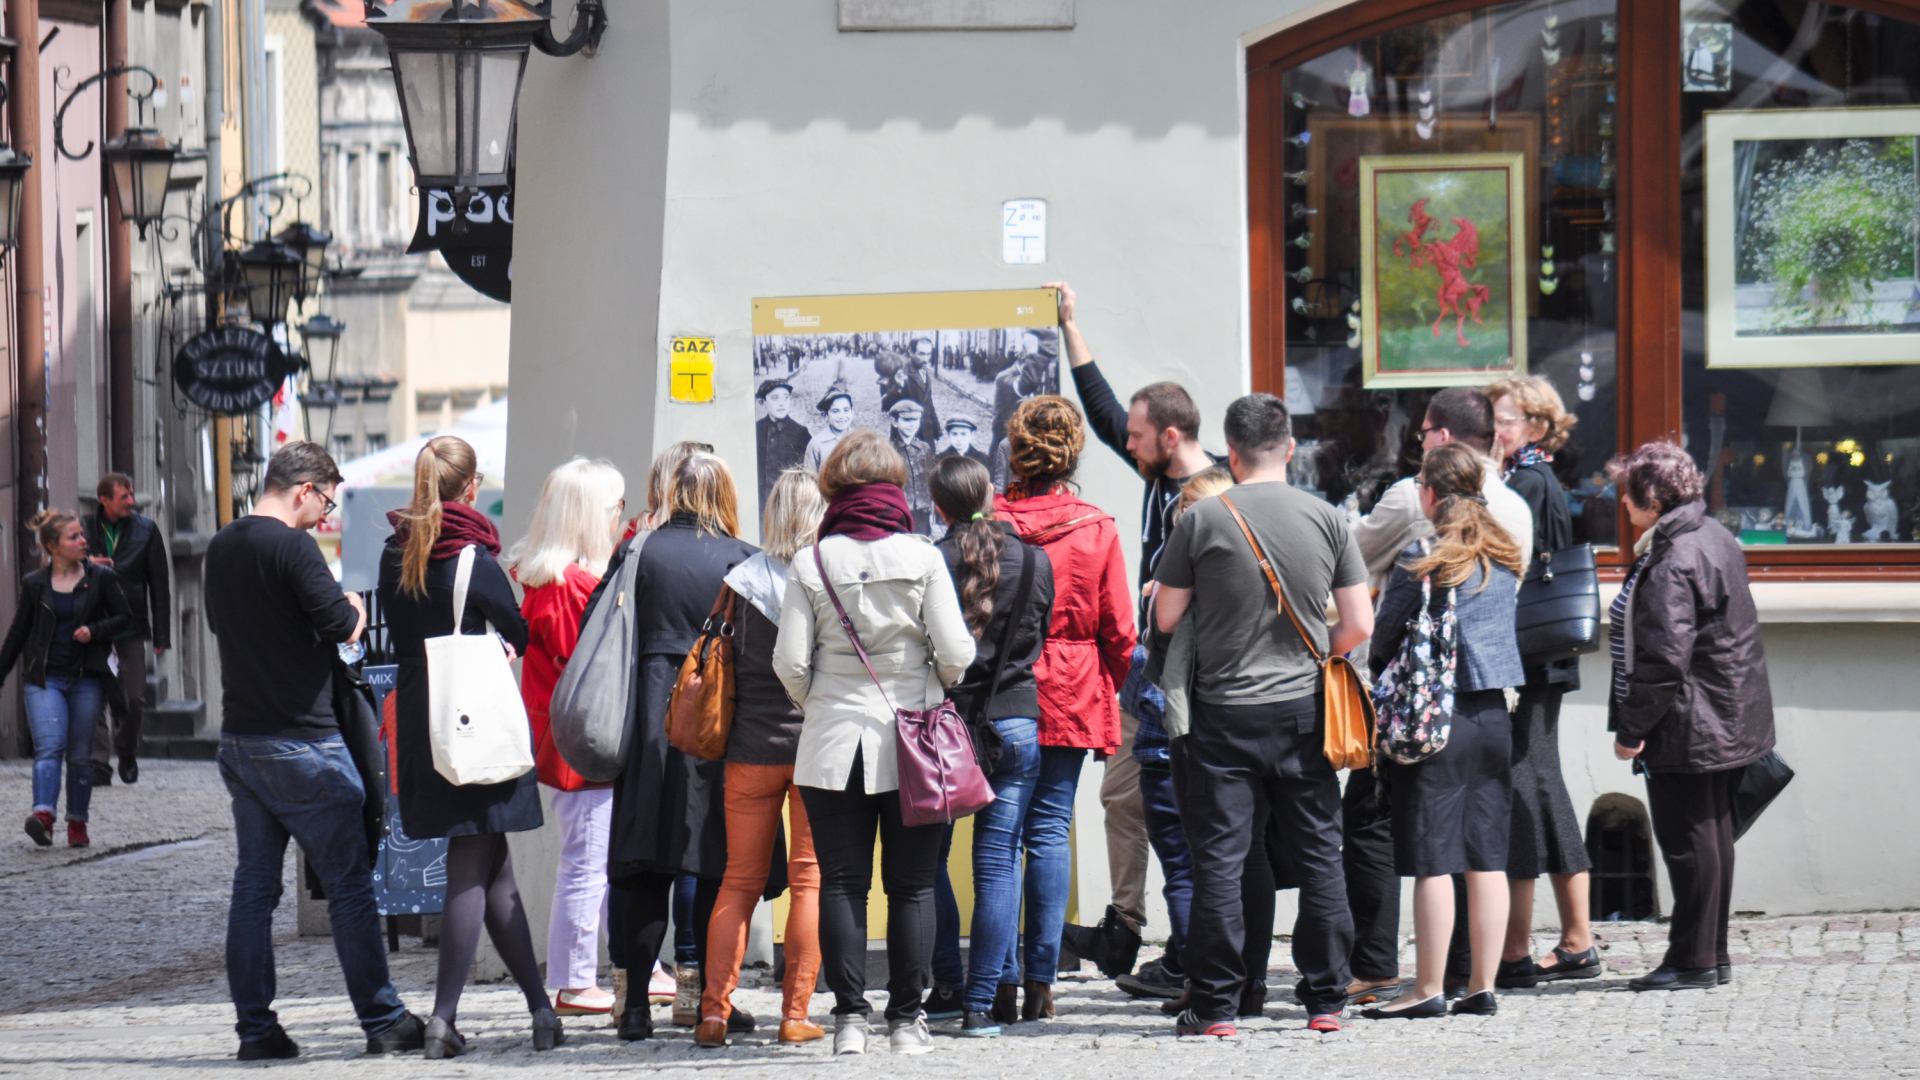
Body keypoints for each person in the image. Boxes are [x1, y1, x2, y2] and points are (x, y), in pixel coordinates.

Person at [1152, 393, 1373, 1036]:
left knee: (1220, 859)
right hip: (1306, 709)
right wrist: (1312, 657)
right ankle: (1327, 998)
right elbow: (1357, 623)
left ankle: (1217, 1006)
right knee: (1318, 854)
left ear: (1230, 450)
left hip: (1222, 713)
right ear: (1291, 447)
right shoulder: (1328, 518)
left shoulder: (1202, 520)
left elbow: (1165, 618)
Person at [203, 442, 423, 1060]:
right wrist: (351, 606)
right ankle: (384, 1021)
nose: (324, 515)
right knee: (351, 886)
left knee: (254, 889)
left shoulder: (222, 545)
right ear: (303, 489)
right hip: (303, 742)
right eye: (325, 501)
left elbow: (229, 626)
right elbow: (340, 624)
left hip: (241, 740)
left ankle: (255, 1032)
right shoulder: (293, 547)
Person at [773, 430, 975, 1056]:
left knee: (841, 883)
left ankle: (849, 1022)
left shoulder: (812, 561)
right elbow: (958, 652)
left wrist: (823, 705)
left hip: (833, 741)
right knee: (913, 885)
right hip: (915, 742)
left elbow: (789, 664)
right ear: (895, 486)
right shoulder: (922, 557)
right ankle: (906, 1023)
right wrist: (930, 690)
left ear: (834, 487)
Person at [1048, 280, 1222, 980]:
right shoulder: (1157, 475)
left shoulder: (1212, 496)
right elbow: (1104, 410)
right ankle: (1125, 926)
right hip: (1143, 675)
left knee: (1181, 822)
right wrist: (1071, 327)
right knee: (1121, 794)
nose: (1127, 441)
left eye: (1139, 435)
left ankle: (1187, 955)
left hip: (1185, 681)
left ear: (1170, 437)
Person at [1343, 385, 1534, 1002]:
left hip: (1435, 718)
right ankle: (1481, 985)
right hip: (1495, 715)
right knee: (1487, 858)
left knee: (1432, 859)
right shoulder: (1504, 555)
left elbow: (1382, 640)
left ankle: (1426, 986)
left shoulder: (1422, 556)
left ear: (1429, 494)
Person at [379, 436, 558, 1058]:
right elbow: (518, 630)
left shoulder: (392, 552)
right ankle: (442, 1019)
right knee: (470, 863)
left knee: (496, 868)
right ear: (471, 487)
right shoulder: (472, 560)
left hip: (423, 719)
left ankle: (541, 1010)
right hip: (473, 722)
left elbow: (399, 631)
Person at [593, 451, 758, 1043]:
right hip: (717, 723)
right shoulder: (743, 559)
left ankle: (634, 1007)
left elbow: (600, 624)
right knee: (711, 866)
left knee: (642, 870)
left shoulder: (637, 551)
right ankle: (709, 1001)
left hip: (647, 720)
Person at [1609, 441, 1774, 992]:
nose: (1624, 508)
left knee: (1690, 840)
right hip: (1721, 713)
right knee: (1711, 836)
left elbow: (1662, 660)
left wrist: (1632, 730)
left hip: (1692, 720)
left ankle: (1695, 960)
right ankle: (1709, 953)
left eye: (1629, 497)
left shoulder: (1674, 555)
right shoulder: (1713, 535)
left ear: (1653, 499)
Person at [992, 395, 1136, 1022]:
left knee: (1000, 837)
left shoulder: (990, 521)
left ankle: (994, 980)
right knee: (1051, 828)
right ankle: (1042, 983)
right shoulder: (1097, 525)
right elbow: (1119, 628)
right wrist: (1120, 688)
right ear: (1072, 452)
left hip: (1003, 681)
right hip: (1073, 683)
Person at [697, 469, 829, 1048]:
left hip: (748, 751)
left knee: (738, 883)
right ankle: (794, 1014)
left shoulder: (740, 581)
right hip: (813, 751)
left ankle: (713, 1013)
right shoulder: (828, 580)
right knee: (808, 881)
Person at [929, 455, 1056, 1037]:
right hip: (1017, 724)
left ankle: (950, 985)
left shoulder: (934, 558)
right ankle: (982, 1007)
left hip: (948, 728)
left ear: (938, 506)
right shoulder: (1035, 559)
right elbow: (1039, 638)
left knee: (928, 862)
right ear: (992, 494)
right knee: (998, 863)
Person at [1486, 377, 1599, 988]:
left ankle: (1517, 949)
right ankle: (1573, 939)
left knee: (1527, 786)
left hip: (1530, 656)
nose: (1495, 431)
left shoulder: (1526, 483)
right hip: (1541, 656)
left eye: (1504, 420)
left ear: (1534, 425)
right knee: (1542, 782)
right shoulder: (1532, 478)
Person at [509, 458, 627, 1020]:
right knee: (588, 863)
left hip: (570, 744)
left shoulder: (551, 579)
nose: (620, 519)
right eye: (614, 509)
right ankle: (576, 979)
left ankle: (603, 971)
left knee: (591, 860)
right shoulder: (568, 586)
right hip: (580, 747)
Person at [1121, 464, 1234, 1002]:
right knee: (1224, 863)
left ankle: (1191, 972)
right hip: (1228, 737)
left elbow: (1147, 671)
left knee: (1183, 869)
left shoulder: (1169, 583)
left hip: (1168, 741)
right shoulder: (1242, 573)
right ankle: (1232, 974)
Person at [6, 510, 131, 849]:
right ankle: (43, 815)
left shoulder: (100, 578)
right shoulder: (35, 584)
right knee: (49, 747)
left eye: (81, 535)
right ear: (52, 546)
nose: (82, 541)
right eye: (73, 537)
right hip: (44, 679)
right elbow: (19, 633)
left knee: (79, 755)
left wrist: (95, 630)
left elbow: (125, 616)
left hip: (86, 679)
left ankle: (77, 821)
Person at [83, 473, 170, 787]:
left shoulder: (146, 529)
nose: (131, 501)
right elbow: (63, 566)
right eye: (124, 497)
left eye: (132, 495)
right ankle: (98, 764)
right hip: (93, 625)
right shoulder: (84, 528)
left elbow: (159, 584)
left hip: (130, 625)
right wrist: (88, 564)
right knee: (93, 696)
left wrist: (161, 634)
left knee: (134, 699)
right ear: (104, 500)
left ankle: (127, 748)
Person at [757, 380, 812, 512]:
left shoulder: (800, 432)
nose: (781, 403)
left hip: (789, 504)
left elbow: (808, 473)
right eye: (775, 398)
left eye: (786, 397)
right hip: (760, 502)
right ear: (763, 402)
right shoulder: (756, 429)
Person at [888, 397, 937, 535]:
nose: (912, 424)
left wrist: (931, 505)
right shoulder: (889, 450)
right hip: (899, 509)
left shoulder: (925, 448)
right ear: (895, 422)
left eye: (915, 420)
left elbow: (929, 478)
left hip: (922, 508)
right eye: (906, 420)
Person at [805, 384, 856, 473]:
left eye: (846, 410)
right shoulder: (817, 444)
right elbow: (809, 477)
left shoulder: (860, 440)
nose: (842, 416)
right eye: (835, 411)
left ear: (852, 412)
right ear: (825, 415)